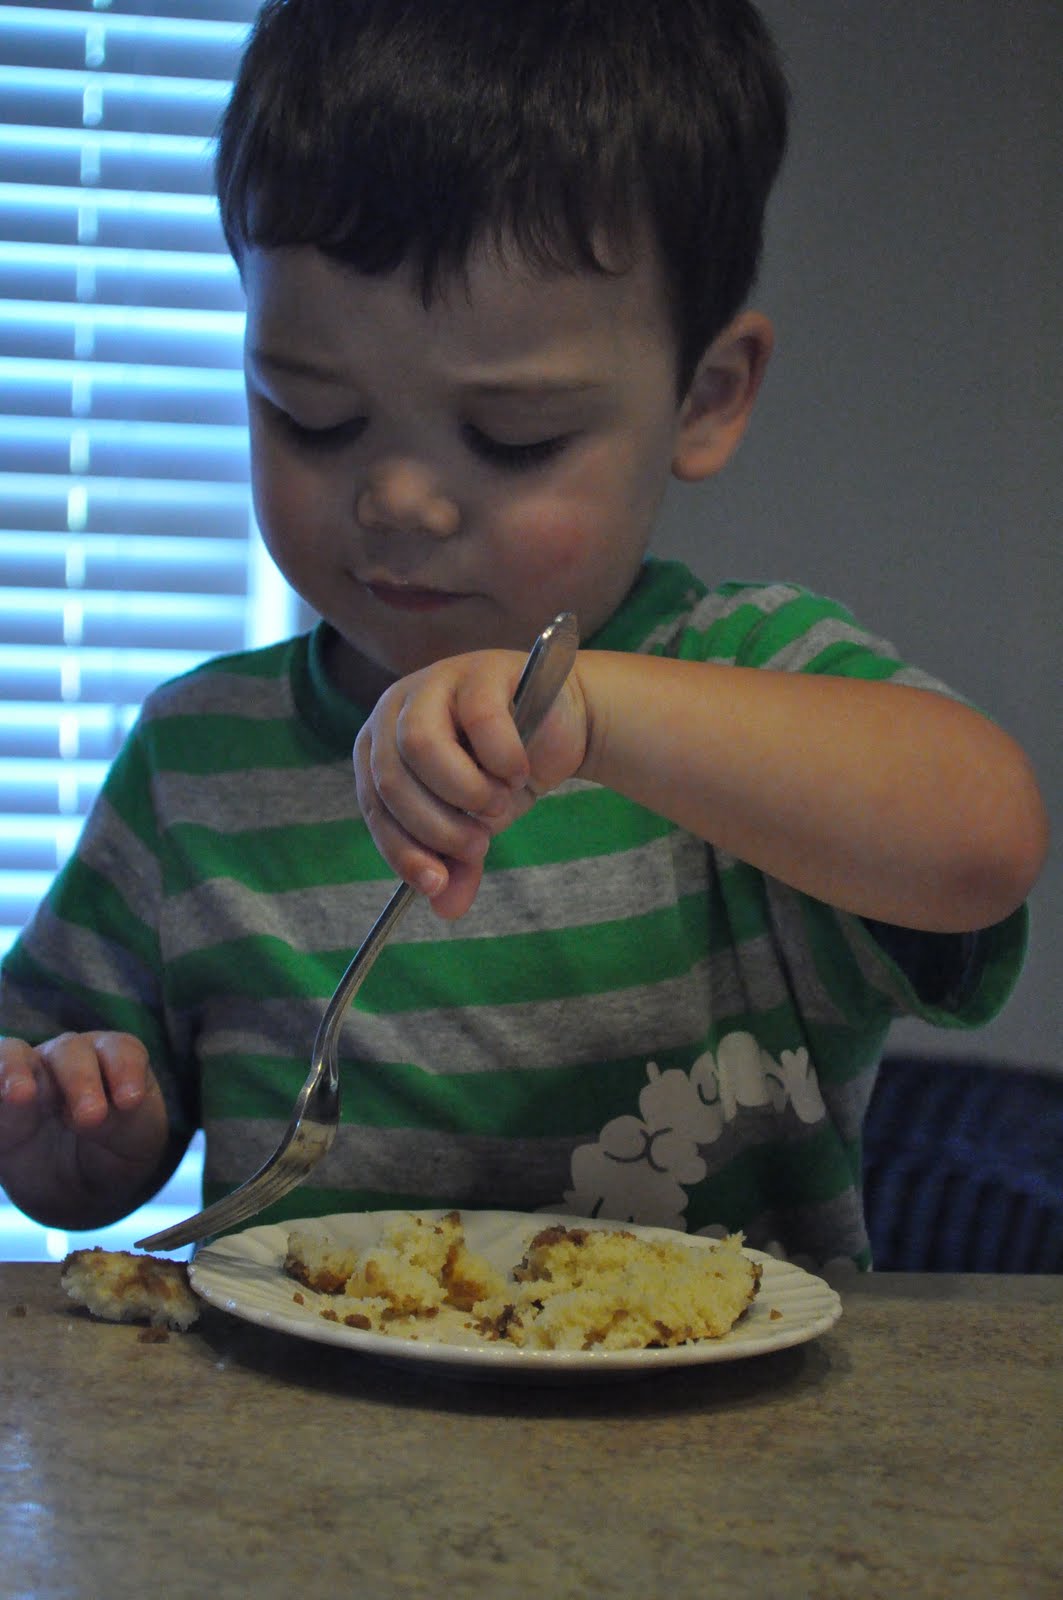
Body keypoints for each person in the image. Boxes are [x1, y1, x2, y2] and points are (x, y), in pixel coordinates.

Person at [0, 0, 1048, 1269]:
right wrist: (80, 1139)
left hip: (711, 1464)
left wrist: (599, 716)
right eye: (311, 416)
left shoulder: (741, 686)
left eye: (511, 439)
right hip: (298, 1456)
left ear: (702, 402)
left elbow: (984, 841)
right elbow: (68, 1105)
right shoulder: (194, 760)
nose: (397, 501)